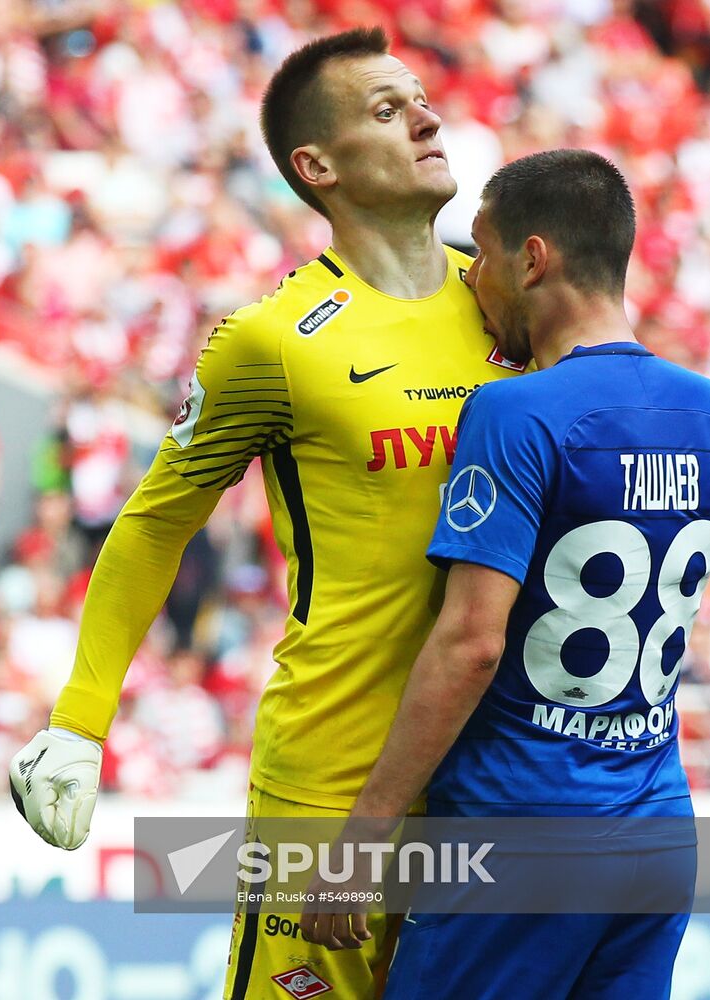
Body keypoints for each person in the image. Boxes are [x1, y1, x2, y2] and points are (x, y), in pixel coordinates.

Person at [8, 27, 525, 1000]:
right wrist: (80, 721)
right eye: (386, 107)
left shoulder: (514, 310)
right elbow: (158, 520)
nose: (425, 115)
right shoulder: (273, 338)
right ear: (315, 165)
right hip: (330, 786)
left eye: (420, 96)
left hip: (494, 788)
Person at [301, 149, 710, 999]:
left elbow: (471, 645)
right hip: (654, 824)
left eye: (480, 255)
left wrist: (366, 828)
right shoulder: (698, 406)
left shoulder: (515, 409)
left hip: (520, 829)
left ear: (533, 259)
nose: (470, 281)